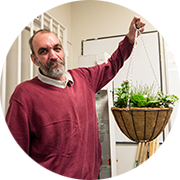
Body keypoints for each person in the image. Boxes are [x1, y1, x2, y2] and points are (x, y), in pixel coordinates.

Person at [0, 16, 145, 180]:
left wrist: (130, 39)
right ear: (34, 59)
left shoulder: (84, 78)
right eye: (43, 51)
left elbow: (112, 64)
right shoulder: (24, 95)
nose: (53, 56)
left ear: (63, 52)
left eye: (57, 48)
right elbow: (11, 158)